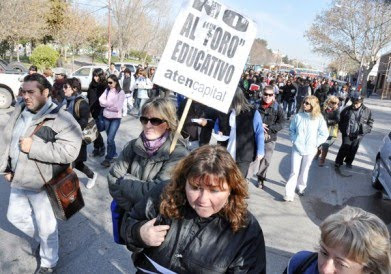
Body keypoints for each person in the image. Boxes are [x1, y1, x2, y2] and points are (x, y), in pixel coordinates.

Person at [121, 145, 266, 273]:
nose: (202, 200)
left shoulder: (246, 229)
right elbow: (129, 223)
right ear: (184, 182)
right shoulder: (164, 194)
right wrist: (139, 233)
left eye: (214, 191)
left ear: (231, 190)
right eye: (196, 188)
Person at [0, 73, 82, 273]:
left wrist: (33, 148)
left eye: (31, 92)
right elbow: (7, 138)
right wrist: (7, 168)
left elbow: (70, 151)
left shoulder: (62, 118)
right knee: (15, 216)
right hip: (19, 177)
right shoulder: (20, 108)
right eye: (23, 91)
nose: (25, 96)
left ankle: (48, 262)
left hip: (44, 183)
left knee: (46, 227)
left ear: (45, 92)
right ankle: (48, 240)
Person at [107, 97, 189, 211]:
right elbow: (112, 178)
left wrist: (124, 181)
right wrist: (132, 209)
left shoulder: (178, 154)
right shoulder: (132, 146)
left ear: (168, 123)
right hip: (127, 216)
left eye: (155, 121)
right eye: (144, 119)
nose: (148, 125)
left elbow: (160, 193)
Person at [285, 206, 391, 274]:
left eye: (340, 263)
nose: (325, 270)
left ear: (368, 269)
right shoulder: (300, 263)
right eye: (324, 253)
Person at [284, 95, 328, 201]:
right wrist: (294, 140)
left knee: (305, 170)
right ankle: (289, 193)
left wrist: (315, 143)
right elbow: (291, 130)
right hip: (297, 148)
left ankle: (301, 187)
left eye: (307, 103)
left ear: (313, 105)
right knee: (294, 171)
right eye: (304, 102)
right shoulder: (298, 116)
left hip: (310, 149)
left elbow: (324, 134)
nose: (304, 104)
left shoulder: (319, 118)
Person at [216, 87, 265, 177]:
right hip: (225, 152)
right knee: (224, 180)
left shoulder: (252, 113)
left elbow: (259, 132)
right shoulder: (224, 111)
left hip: (244, 154)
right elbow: (217, 124)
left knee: (238, 181)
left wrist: (260, 151)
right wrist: (217, 131)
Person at [64, 77, 97, 189]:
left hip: (78, 138)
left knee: (71, 163)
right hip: (66, 137)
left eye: (66, 87)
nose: (64, 89)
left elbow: (83, 122)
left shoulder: (81, 103)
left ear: (74, 89)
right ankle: (92, 175)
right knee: (76, 163)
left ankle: (65, 187)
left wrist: (69, 128)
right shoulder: (66, 101)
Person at [256, 86, 285, 188]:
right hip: (255, 136)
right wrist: (259, 124)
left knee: (266, 160)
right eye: (265, 94)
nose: (267, 97)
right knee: (252, 159)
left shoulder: (278, 108)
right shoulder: (255, 105)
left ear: (274, 95)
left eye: (270, 95)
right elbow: (249, 119)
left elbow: (282, 123)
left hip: (270, 138)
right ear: (262, 94)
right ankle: (245, 179)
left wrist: (269, 128)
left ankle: (261, 178)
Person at [335, 93, 373, 169]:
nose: (355, 105)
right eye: (354, 103)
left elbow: (370, 122)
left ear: (361, 102)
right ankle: (338, 162)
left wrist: (367, 130)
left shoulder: (367, 111)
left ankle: (349, 162)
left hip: (359, 134)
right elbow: (340, 120)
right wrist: (342, 129)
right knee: (344, 147)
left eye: (357, 103)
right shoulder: (346, 110)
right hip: (347, 133)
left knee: (353, 148)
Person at [99, 74, 125, 168]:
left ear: (116, 82)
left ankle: (108, 158)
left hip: (115, 118)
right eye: (108, 82)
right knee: (110, 139)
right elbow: (100, 100)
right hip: (106, 117)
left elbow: (118, 107)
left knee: (110, 139)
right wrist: (109, 104)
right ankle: (113, 154)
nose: (109, 84)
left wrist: (106, 104)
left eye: (110, 82)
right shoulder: (106, 90)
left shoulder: (120, 92)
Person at [87, 68, 107, 157]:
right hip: (91, 110)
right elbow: (89, 97)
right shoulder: (91, 85)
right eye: (94, 76)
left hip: (100, 111)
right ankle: (97, 147)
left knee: (97, 130)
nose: (96, 78)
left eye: (98, 76)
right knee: (93, 130)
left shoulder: (104, 86)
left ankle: (101, 147)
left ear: (101, 76)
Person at [315, 96, 340, 167]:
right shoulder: (322, 107)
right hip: (320, 129)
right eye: (333, 102)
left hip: (330, 130)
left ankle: (322, 160)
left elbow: (337, 120)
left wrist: (328, 121)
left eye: (336, 103)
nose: (335, 104)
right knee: (319, 143)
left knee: (325, 145)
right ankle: (318, 153)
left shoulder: (336, 110)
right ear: (328, 102)